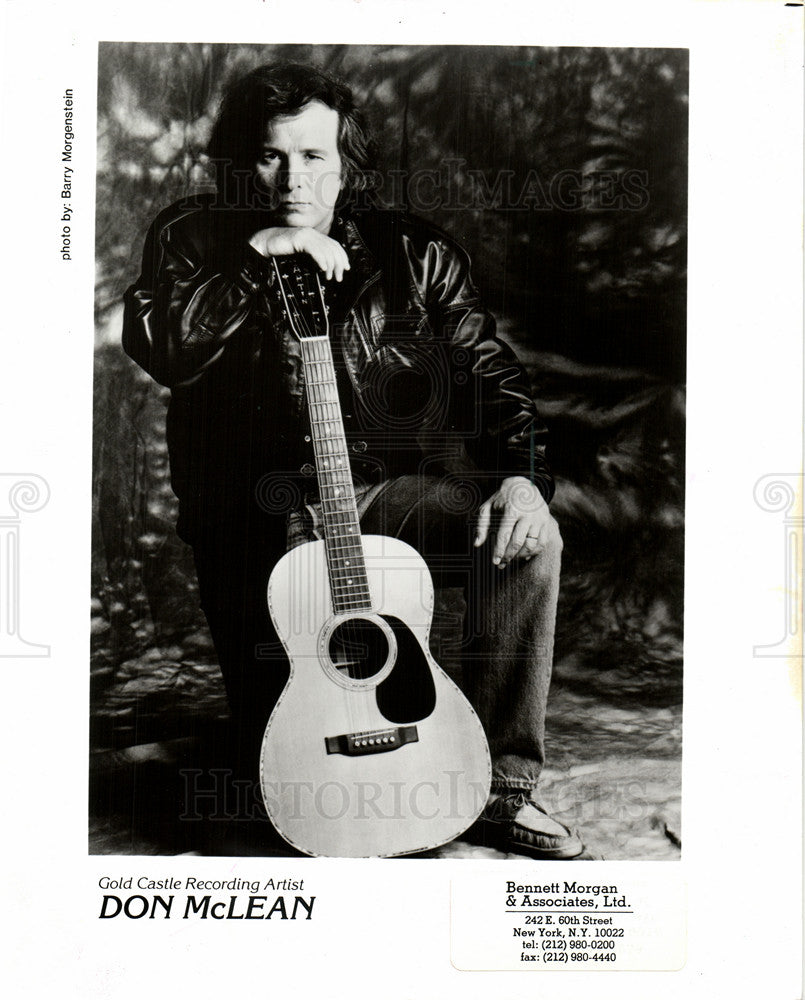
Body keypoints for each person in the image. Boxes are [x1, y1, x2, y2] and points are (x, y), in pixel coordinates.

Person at [122, 62, 585, 860]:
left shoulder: (415, 254)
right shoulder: (192, 234)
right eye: (270, 157)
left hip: (374, 495)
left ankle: (497, 787)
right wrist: (256, 255)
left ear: (346, 164)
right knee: (288, 774)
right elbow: (164, 347)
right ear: (243, 160)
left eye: (313, 157)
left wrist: (520, 478)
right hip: (252, 508)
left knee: (525, 543)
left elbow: (491, 378)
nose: (290, 179)